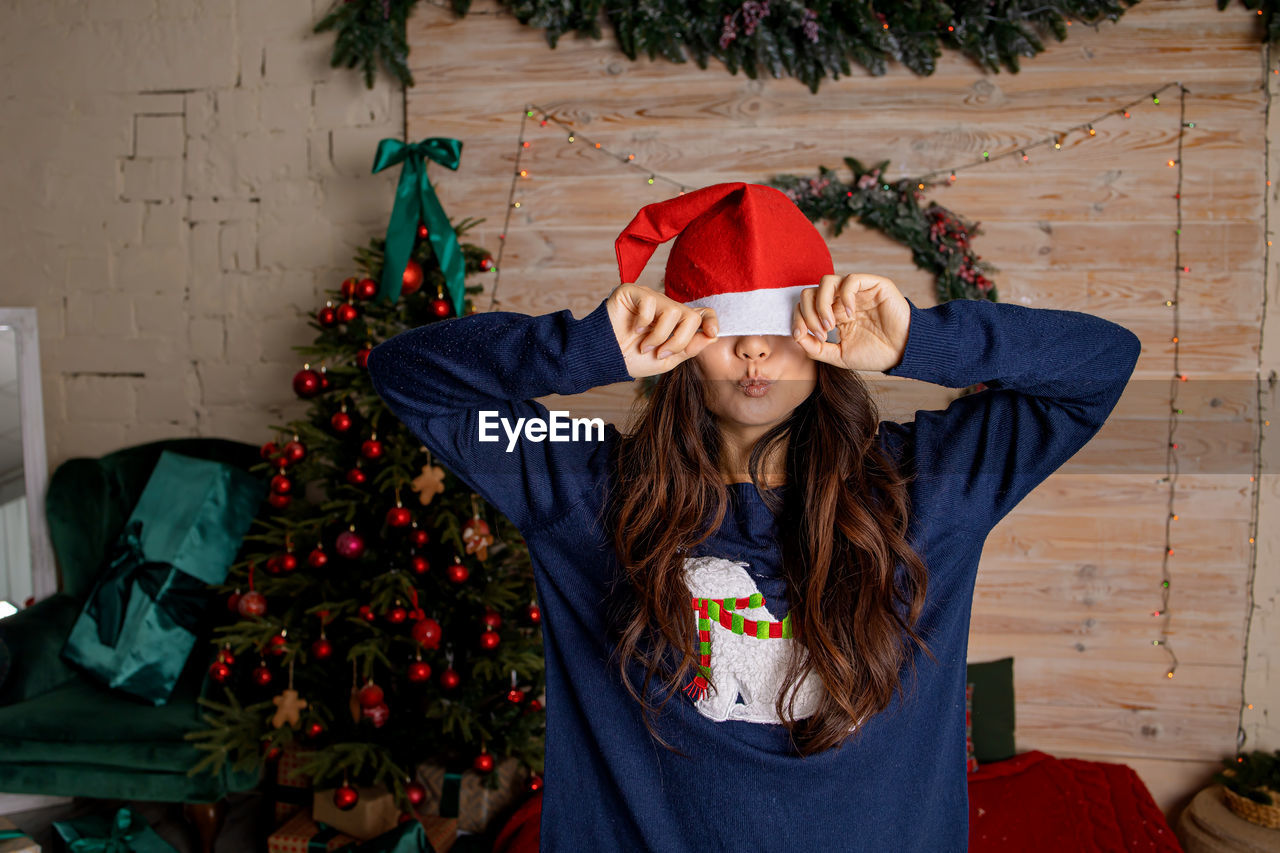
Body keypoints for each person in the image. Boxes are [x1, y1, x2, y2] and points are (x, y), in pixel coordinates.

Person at [366, 182, 1141, 851]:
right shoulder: (581, 479)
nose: (756, 353)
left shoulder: (927, 482)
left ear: (827, 336)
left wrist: (919, 339)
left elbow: (1102, 362)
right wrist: (584, 349)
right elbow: (404, 372)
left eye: (781, 322)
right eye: (726, 324)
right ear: (678, 341)